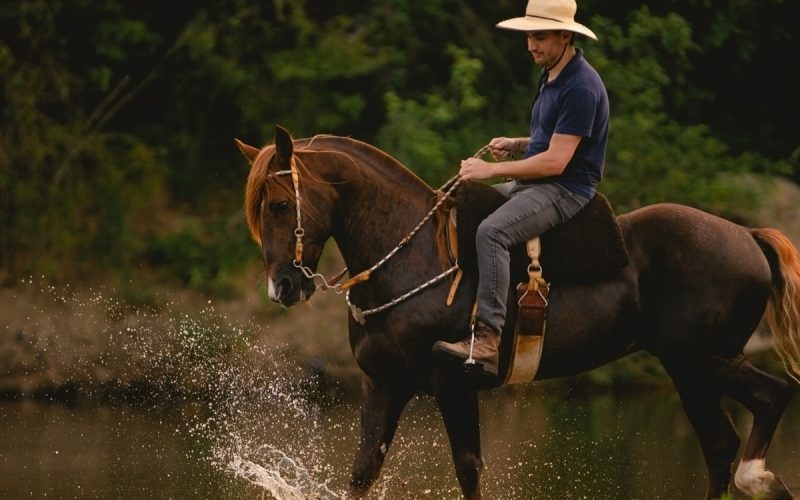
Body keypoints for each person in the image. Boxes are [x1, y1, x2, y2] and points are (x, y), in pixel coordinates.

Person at [433, 0, 609, 377]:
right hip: (544, 179)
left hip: (566, 188)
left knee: (491, 231)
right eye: (529, 36)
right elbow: (551, 139)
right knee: (464, 208)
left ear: (566, 35)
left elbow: (557, 161)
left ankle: (488, 339)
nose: (531, 45)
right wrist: (516, 143)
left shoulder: (581, 86)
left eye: (539, 36)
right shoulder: (552, 73)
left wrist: (489, 172)